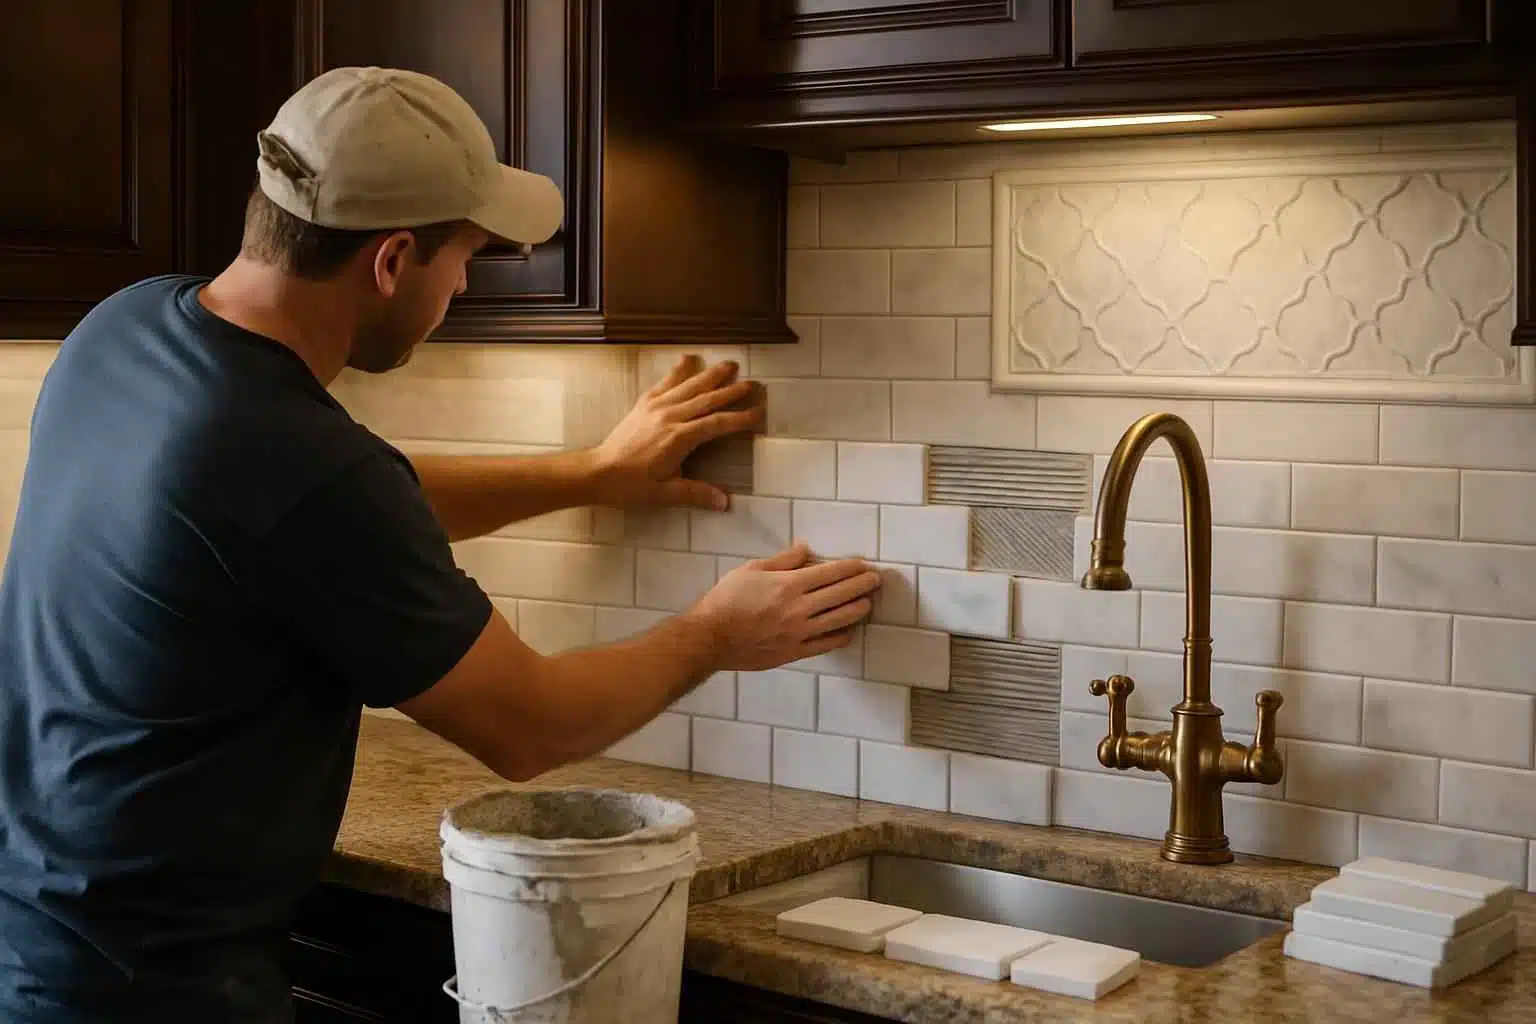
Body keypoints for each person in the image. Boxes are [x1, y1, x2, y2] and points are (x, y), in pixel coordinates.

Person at [0, 66, 880, 1022]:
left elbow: (343, 506)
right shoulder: (299, 466)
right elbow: (529, 726)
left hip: (38, 939)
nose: (463, 283)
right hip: (152, 993)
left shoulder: (125, 331)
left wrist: (591, 473)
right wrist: (716, 633)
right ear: (391, 260)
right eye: (466, 257)